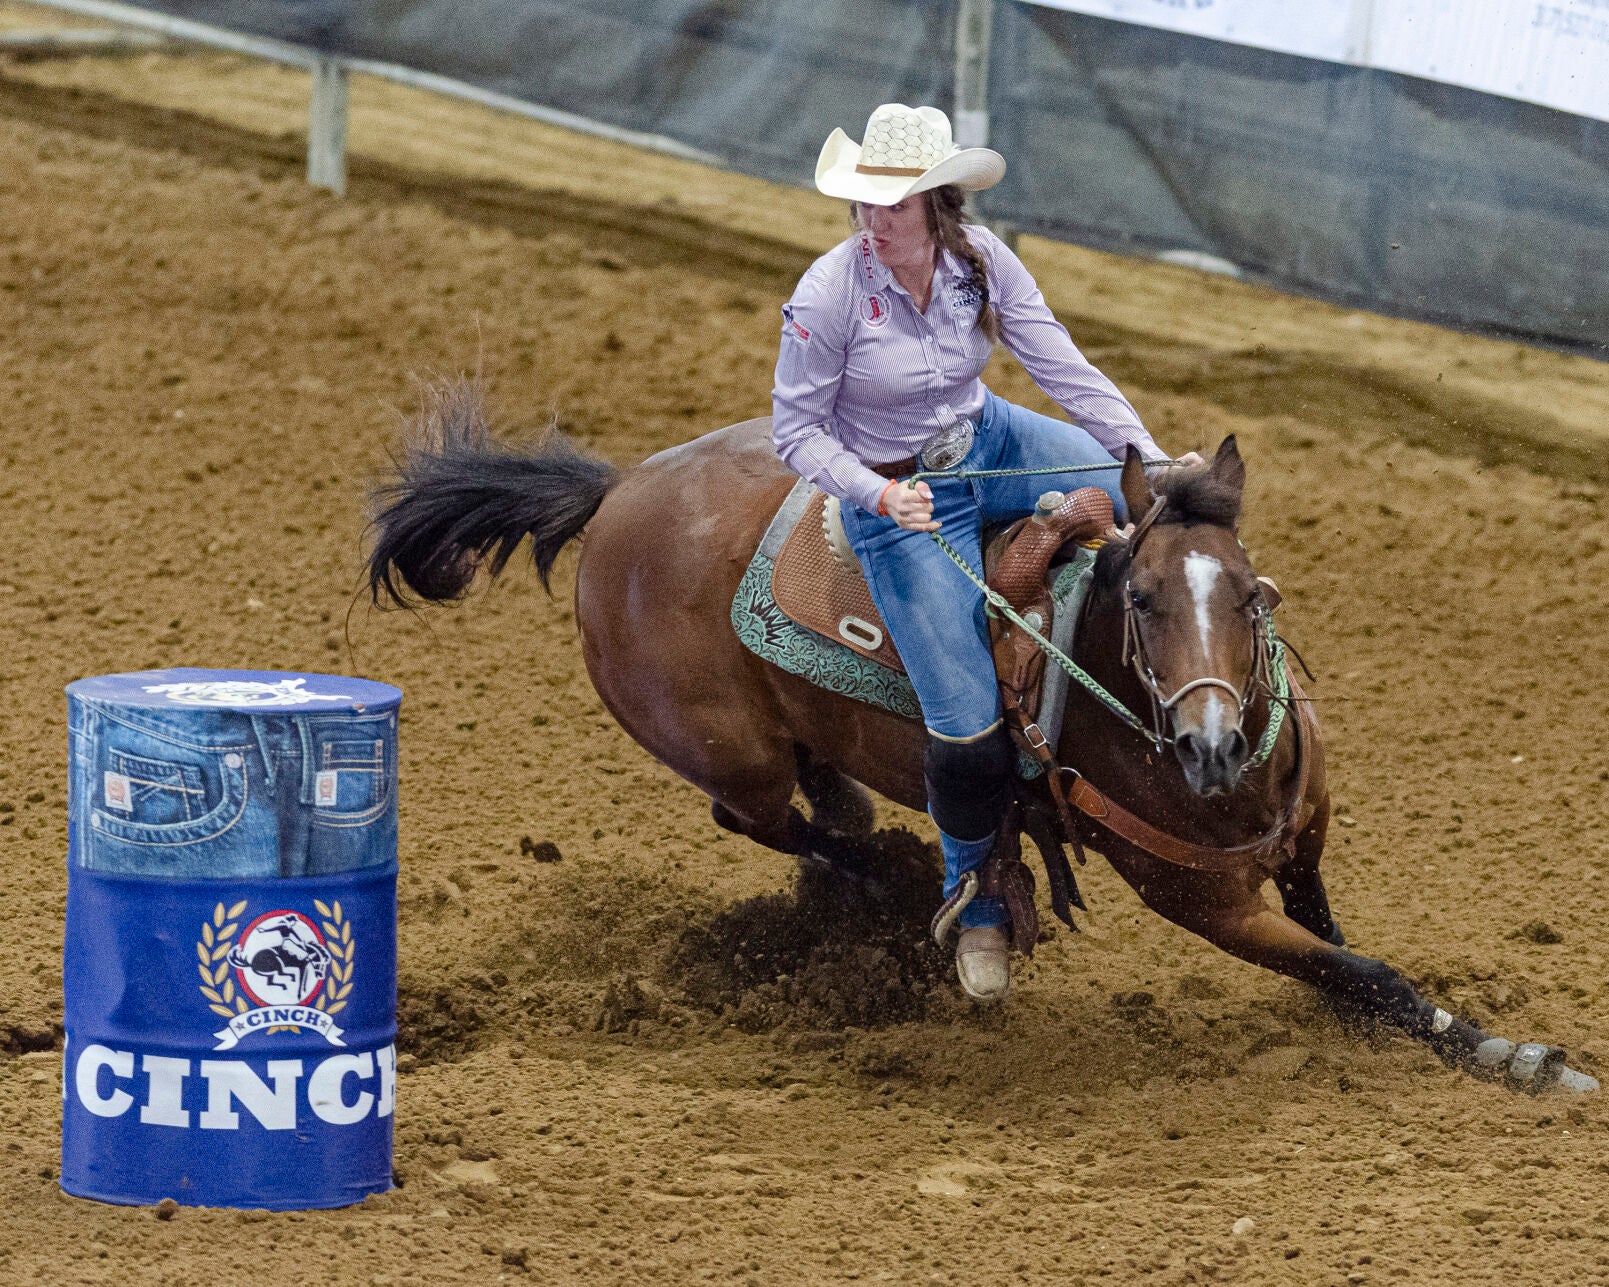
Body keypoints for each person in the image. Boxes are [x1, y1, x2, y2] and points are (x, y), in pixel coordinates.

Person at [771, 103, 1200, 1003]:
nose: (874, 220)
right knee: (963, 721)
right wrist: (876, 493)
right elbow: (795, 432)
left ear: (937, 201)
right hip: (900, 502)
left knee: (1142, 507)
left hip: (991, 443)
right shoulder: (828, 293)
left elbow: (1060, 364)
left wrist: (1144, 454)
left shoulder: (980, 261)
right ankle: (971, 900)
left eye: (894, 203)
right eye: (864, 203)